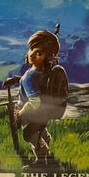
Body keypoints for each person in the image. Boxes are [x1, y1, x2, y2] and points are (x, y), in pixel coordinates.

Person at [16, 30, 60, 168]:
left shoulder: (29, 77)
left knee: (29, 134)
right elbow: (36, 83)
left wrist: (20, 116)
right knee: (40, 130)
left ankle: (41, 160)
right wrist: (18, 79)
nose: (32, 55)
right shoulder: (43, 72)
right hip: (43, 112)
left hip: (30, 113)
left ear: (48, 57)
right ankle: (46, 142)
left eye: (39, 53)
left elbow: (35, 101)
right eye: (32, 50)